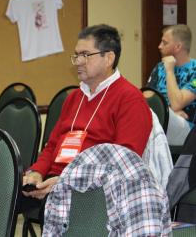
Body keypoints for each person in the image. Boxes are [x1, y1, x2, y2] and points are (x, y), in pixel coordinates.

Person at [21, 24, 152, 213]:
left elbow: (124, 164)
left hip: (92, 191)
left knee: (51, 206)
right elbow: (52, 145)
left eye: (85, 55)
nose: (78, 62)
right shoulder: (74, 97)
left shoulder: (130, 99)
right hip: (53, 180)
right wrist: (36, 173)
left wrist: (65, 182)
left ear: (108, 58)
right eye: (76, 55)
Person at [145, 24, 196, 146]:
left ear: (178, 46)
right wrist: (169, 114)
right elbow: (146, 99)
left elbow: (177, 103)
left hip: (188, 130)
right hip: (161, 122)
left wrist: (169, 71)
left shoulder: (194, 70)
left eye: (164, 42)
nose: (159, 46)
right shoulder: (159, 68)